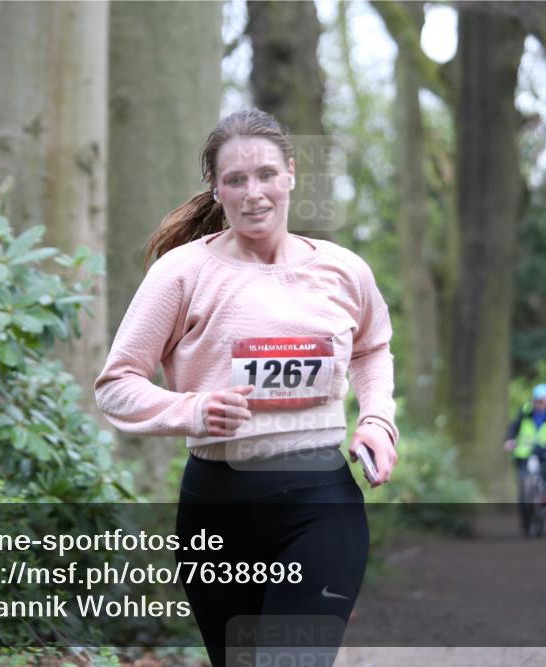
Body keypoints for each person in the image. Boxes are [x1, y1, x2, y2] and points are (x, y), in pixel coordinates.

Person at [93, 108, 398, 666]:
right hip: (217, 507)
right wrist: (192, 409)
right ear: (215, 188)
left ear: (290, 173)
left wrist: (377, 420)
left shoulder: (342, 270)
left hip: (319, 502)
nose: (253, 192)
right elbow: (116, 385)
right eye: (235, 179)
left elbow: (372, 348)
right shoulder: (181, 273)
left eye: (264, 175)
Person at [504, 383, 546, 498]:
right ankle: (525, 498)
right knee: (522, 476)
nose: (540, 404)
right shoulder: (526, 411)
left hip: (545, 449)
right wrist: (509, 440)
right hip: (525, 450)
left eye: (542, 401)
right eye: (537, 400)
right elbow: (514, 426)